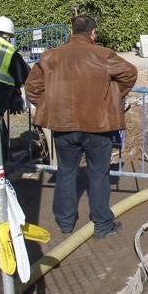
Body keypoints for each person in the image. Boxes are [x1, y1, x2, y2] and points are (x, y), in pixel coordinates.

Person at [24, 15, 137, 236]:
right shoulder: (103, 55)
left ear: (71, 32)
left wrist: (52, 105)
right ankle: (102, 225)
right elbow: (129, 73)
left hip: (64, 127)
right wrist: (112, 96)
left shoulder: (51, 57)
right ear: (93, 33)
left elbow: (33, 88)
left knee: (66, 172)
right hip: (98, 126)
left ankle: (65, 223)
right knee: (99, 174)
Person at [0, 16, 31, 163]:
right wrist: (16, 93)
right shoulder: (9, 50)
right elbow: (23, 75)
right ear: (7, 35)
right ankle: (1, 167)